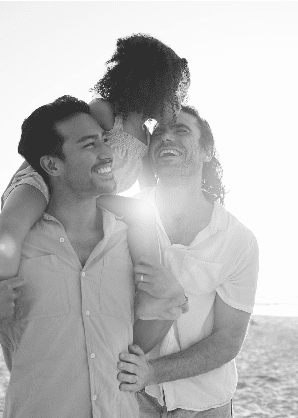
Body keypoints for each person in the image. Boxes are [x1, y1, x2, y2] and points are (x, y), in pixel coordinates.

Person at [0, 96, 185, 417]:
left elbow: (159, 315)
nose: (106, 151)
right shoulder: (2, 246)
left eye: (102, 142)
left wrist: (132, 352)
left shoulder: (130, 240)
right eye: (89, 144)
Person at [0, 34, 191, 364]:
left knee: (143, 214)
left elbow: (149, 190)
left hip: (94, 198)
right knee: (11, 233)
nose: (175, 98)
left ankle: (149, 297)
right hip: (48, 181)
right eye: (170, 89)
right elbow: (63, 143)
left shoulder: (146, 136)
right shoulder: (105, 112)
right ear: (151, 85)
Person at [114, 106, 259, 417]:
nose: (167, 137)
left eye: (180, 130)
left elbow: (228, 340)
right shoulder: (119, 217)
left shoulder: (237, 240)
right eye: (159, 134)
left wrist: (152, 372)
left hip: (205, 403)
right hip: (130, 399)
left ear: (207, 151)